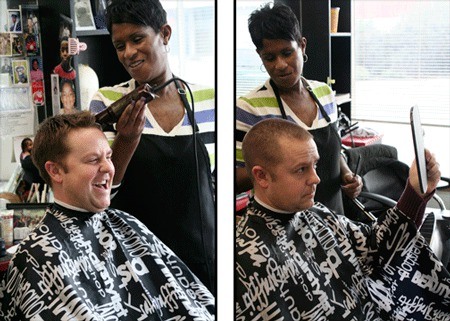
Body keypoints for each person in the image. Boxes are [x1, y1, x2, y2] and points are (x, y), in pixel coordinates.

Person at [0, 112, 215, 320]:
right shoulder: (36, 257)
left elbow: (197, 301)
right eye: (93, 160)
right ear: (55, 171)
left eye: (109, 157)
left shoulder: (126, 223)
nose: (108, 168)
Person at [235, 118, 450, 321]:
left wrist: (416, 191)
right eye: (301, 169)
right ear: (262, 176)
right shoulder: (246, 256)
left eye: (315, 165)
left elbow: (379, 246)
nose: (316, 178)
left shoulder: (317, 215)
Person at [89, 0, 216, 293]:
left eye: (137, 39)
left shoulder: (209, 99)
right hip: (135, 266)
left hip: (202, 261)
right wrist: (127, 139)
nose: (129, 53)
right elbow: (102, 189)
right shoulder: (108, 103)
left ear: (165, 34)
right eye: (120, 45)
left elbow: (215, 183)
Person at [236, 3, 362, 214]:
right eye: (269, 58)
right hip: (285, 230)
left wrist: (348, 175)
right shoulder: (250, 108)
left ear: (302, 46)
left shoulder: (324, 94)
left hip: (334, 219)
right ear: (260, 56)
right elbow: (237, 178)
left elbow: (333, 150)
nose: (280, 65)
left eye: (287, 53)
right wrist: (280, 166)